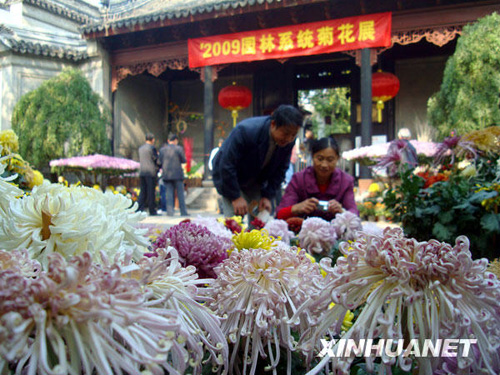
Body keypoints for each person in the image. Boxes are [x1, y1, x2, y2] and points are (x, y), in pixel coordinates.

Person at [212, 104, 304, 220]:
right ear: (273, 124)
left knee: (259, 221)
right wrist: (235, 197)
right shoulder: (246, 131)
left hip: (256, 181)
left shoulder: (289, 141)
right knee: (233, 222)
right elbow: (227, 164)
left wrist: (267, 196)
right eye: (286, 133)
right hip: (230, 178)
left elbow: (281, 170)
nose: (289, 139)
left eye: (293, 135)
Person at [276, 136, 358, 221]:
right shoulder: (299, 179)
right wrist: (297, 208)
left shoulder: (346, 181)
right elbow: (280, 214)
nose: (324, 165)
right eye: (320, 159)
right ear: (312, 156)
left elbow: (354, 215)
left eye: (330, 160)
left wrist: (342, 212)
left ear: (337, 159)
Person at [158, 133, 188, 216]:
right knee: (180, 194)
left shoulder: (162, 150)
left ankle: (170, 212)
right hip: (178, 175)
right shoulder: (179, 149)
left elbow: (159, 162)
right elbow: (183, 160)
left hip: (167, 175)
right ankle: (183, 212)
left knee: (169, 194)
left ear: (168, 140)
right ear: (175, 141)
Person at [137, 133, 159, 215]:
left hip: (142, 171)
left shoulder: (141, 148)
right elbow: (156, 159)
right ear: (152, 139)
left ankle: (139, 208)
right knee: (151, 192)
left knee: (143, 191)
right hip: (150, 172)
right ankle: (152, 210)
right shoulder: (152, 148)